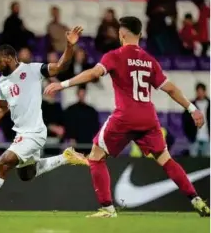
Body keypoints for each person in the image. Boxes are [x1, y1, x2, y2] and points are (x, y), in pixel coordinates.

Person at [45, 16, 210, 218]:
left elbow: (93, 74)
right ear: (140, 35)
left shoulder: (115, 55)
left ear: (121, 34)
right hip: (148, 118)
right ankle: (197, 200)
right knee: (167, 161)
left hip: (125, 116)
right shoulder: (150, 60)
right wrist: (193, 108)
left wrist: (62, 84)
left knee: (96, 156)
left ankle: (107, 208)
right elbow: (171, 89)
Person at [0, 27, 87, 214]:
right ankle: (65, 157)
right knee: (27, 173)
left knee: (3, 163)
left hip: (34, 132)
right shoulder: (2, 82)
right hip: (22, 133)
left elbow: (60, 66)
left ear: (9, 58)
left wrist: (69, 46)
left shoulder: (33, 70)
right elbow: (2, 107)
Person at [64, 86, 100, 153]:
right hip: (74, 142)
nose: (82, 96)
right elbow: (68, 125)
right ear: (77, 94)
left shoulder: (91, 110)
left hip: (88, 141)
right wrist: (71, 137)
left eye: (83, 94)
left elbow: (96, 126)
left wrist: (94, 140)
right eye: (80, 94)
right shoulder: (70, 110)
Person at [182, 83, 210, 157]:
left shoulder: (209, 104)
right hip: (194, 138)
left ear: (205, 92)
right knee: (193, 159)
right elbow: (185, 121)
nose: (200, 93)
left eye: (201, 91)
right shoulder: (191, 105)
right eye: (198, 91)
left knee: (207, 162)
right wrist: (190, 134)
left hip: (208, 137)